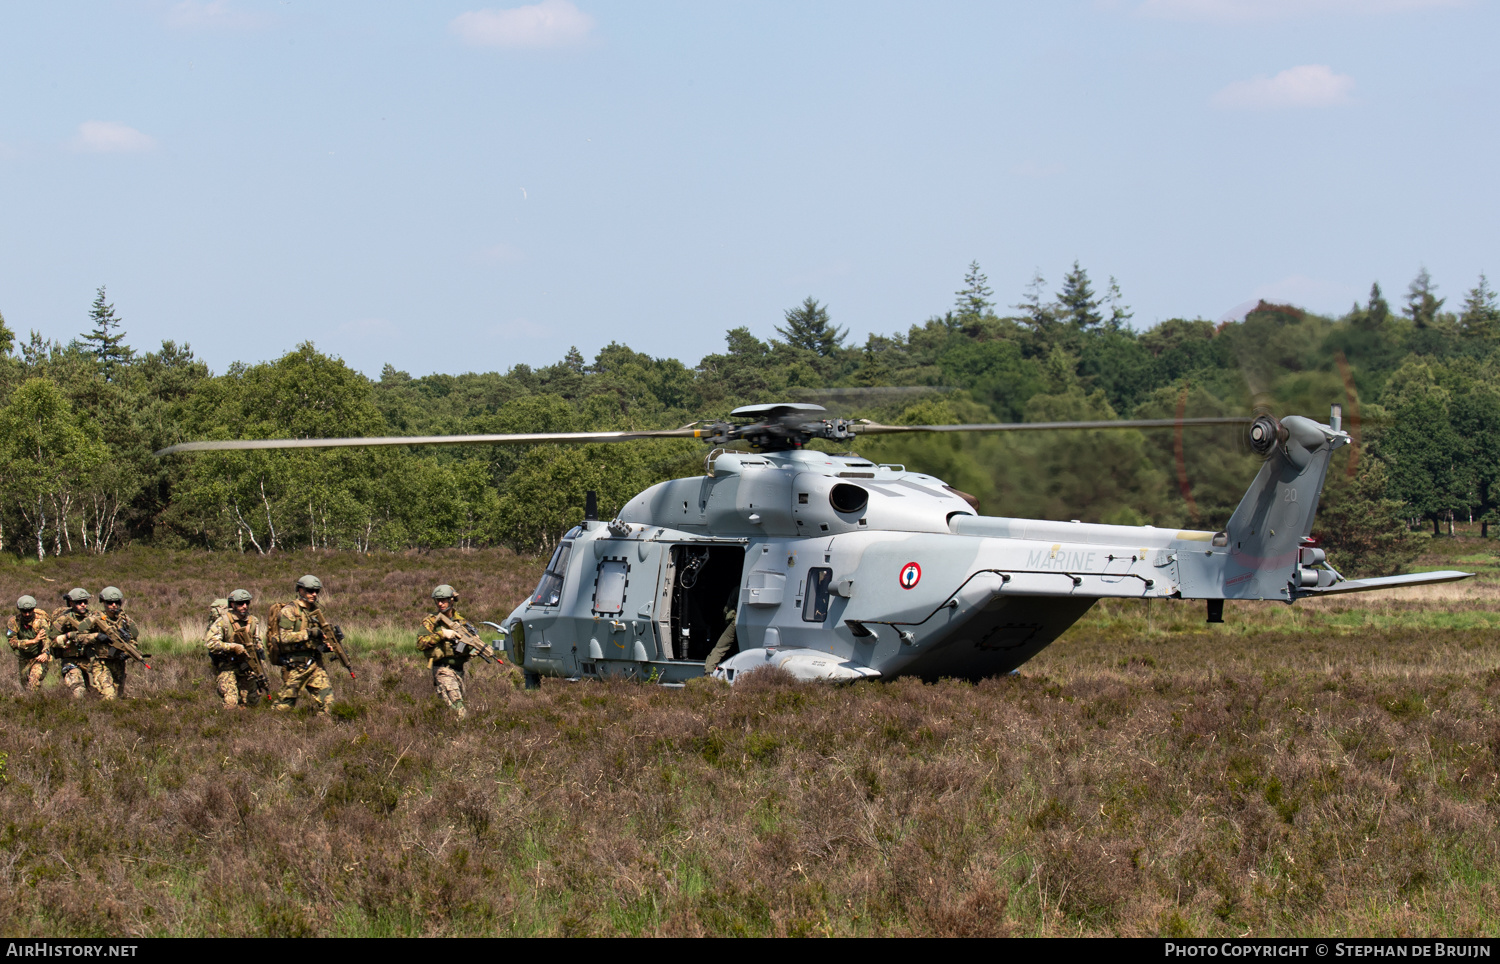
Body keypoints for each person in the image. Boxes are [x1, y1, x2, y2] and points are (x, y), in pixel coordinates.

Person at [267, 575, 335, 714]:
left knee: (328, 704)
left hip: (315, 665)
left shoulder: (315, 611)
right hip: (295, 666)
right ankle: (270, 728)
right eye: (310, 591)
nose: (314, 594)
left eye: (316, 591)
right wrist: (308, 633)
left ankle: (323, 730)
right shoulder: (289, 611)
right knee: (283, 706)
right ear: (300, 590)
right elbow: (284, 637)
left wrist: (325, 645)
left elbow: (318, 636)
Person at [416, 584, 477, 719]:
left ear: (451, 600)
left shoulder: (461, 622)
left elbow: (467, 647)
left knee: (448, 707)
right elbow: (420, 643)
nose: (440, 603)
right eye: (438, 600)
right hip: (443, 669)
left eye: (443, 600)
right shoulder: (430, 621)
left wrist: (472, 647)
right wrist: (441, 634)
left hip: (459, 670)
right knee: (458, 707)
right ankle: (465, 735)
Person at [205, 589, 269, 708]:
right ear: (232, 605)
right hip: (227, 666)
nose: (244, 606)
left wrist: (260, 665)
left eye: (247, 603)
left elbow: (258, 642)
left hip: (247, 666)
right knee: (231, 702)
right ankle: (227, 723)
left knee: (252, 702)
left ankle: (243, 724)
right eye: (240, 603)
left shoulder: (253, 621)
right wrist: (232, 647)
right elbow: (211, 643)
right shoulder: (223, 622)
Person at [47, 588, 103, 698]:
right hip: (70, 660)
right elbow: (52, 641)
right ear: (71, 603)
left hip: (90, 660)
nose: (83, 605)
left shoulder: (94, 618)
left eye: (85, 602)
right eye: (79, 602)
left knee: (99, 691)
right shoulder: (63, 619)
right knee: (78, 690)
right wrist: (68, 637)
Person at [92, 586, 139, 699]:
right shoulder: (95, 618)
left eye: (117, 602)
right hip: (102, 663)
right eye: (110, 602)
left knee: (118, 696)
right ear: (103, 603)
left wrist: (127, 653)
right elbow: (80, 635)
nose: (114, 605)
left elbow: (133, 641)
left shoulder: (125, 620)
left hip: (118, 663)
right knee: (109, 695)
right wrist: (96, 636)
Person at [6, 596, 50, 692]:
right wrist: (33, 641)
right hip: (24, 658)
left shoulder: (41, 621)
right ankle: (29, 704)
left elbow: (47, 639)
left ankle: (35, 705)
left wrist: (45, 653)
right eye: (24, 611)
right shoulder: (14, 622)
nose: (27, 614)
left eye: (30, 611)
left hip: (39, 657)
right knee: (25, 685)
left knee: (33, 682)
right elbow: (12, 643)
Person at [703, 592, 740, 676]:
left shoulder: (737, 590)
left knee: (720, 647)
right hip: (740, 621)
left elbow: (726, 610)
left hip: (736, 621)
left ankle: (709, 670)